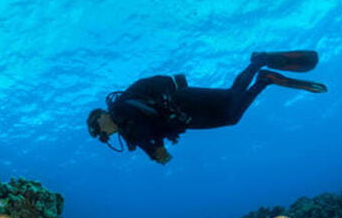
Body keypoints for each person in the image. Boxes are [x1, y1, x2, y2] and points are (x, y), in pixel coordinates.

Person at [86, 51, 327, 164]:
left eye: (98, 132)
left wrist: (156, 150)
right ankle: (261, 72)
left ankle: (261, 72)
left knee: (231, 109)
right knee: (231, 107)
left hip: (182, 102)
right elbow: (144, 134)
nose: (104, 137)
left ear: (100, 118)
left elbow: (143, 130)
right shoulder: (125, 125)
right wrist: (153, 151)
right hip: (184, 117)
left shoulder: (119, 109)